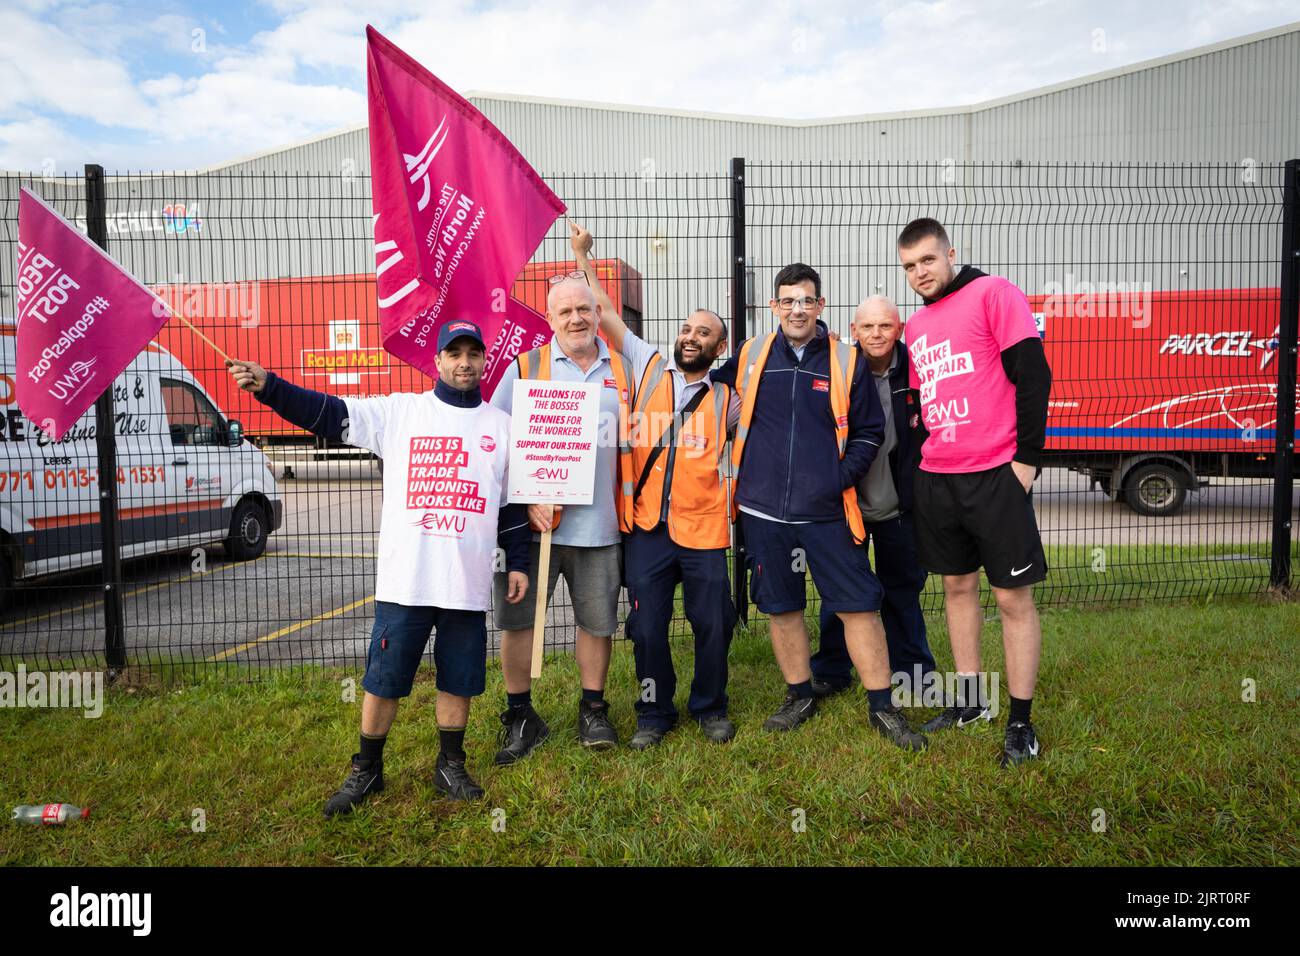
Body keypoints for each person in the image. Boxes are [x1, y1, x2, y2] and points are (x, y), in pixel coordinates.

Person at [226, 321, 531, 813]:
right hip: (405, 582)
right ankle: (366, 770)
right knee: (384, 679)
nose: (465, 362)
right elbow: (326, 412)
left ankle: (450, 765)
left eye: (474, 353)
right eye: (454, 352)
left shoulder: (502, 427)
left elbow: (512, 508)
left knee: (460, 679)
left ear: (483, 361)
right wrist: (271, 387)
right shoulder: (400, 413)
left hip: (467, 586)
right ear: (437, 360)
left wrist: (518, 564)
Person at [710, 263, 928, 751]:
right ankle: (799, 695)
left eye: (806, 300)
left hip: (827, 512)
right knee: (782, 606)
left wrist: (838, 480)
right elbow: (704, 393)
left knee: (857, 606)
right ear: (774, 306)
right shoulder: (749, 355)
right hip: (763, 510)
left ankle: (883, 706)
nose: (797, 309)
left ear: (821, 306)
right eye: (787, 300)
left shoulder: (846, 360)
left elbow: (870, 431)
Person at [570, 221, 739, 749]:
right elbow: (602, 309)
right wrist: (583, 256)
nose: (691, 337)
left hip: (705, 527)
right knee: (646, 628)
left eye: (703, 333)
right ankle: (653, 713)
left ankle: (710, 706)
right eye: (688, 329)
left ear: (719, 345)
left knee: (715, 624)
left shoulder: (730, 396)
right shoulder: (647, 366)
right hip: (647, 528)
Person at [895, 217, 1052, 766]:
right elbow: (921, 407)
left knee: (1011, 598)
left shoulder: (994, 293)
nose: (920, 273)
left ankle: (1019, 721)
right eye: (909, 266)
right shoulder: (914, 328)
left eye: (927, 261)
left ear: (950, 254)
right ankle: (969, 703)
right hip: (940, 478)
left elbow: (1034, 376)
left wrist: (1026, 463)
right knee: (956, 590)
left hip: (996, 473)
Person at [489, 263, 640, 759]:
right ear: (549, 318)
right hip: (534, 528)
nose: (576, 318)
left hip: (599, 525)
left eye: (584, 308)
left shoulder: (623, 370)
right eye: (565, 311)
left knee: (597, 621)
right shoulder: (525, 368)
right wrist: (526, 497)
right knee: (518, 621)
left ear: (598, 312)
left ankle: (593, 709)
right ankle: (519, 714)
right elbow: (495, 444)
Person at [811, 296, 936, 699]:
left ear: (899, 329)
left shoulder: (918, 371)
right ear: (853, 331)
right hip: (845, 506)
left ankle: (913, 673)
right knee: (840, 597)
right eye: (867, 327)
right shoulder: (838, 368)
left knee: (902, 592)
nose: (876, 334)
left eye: (885, 326)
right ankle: (831, 670)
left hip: (900, 506)